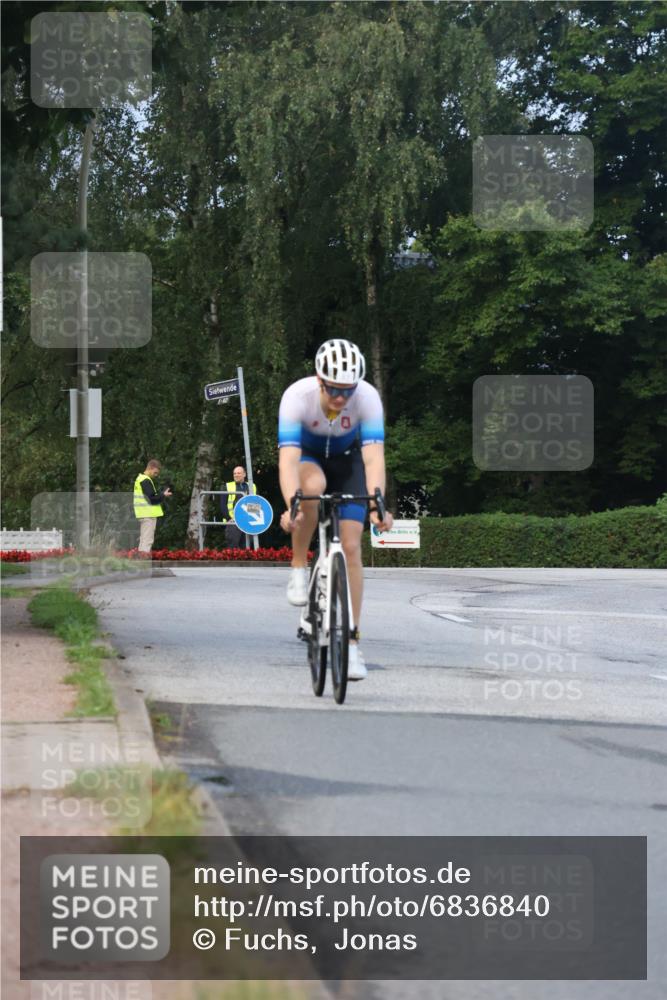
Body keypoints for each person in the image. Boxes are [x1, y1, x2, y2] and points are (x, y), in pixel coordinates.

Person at [278, 338, 393, 680]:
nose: (341, 398)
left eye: (348, 390)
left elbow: (373, 457)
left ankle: (353, 644)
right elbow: (288, 460)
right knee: (310, 490)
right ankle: (299, 567)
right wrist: (292, 504)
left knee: (353, 545)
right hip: (310, 461)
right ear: (319, 380)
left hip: (347, 463)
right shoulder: (296, 397)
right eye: (334, 390)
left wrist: (377, 504)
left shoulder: (368, 398)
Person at [133, 459, 172, 555]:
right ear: (150, 468)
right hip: (148, 514)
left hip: (143, 513)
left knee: (143, 539)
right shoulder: (145, 480)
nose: (156, 475)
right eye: (155, 472)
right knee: (147, 540)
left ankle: (140, 562)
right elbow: (151, 499)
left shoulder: (140, 479)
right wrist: (163, 495)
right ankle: (143, 564)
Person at [221, 465, 257, 548]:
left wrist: (253, 519)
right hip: (233, 522)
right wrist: (228, 518)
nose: (236, 475)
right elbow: (223, 504)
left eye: (239, 473)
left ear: (244, 474)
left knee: (246, 546)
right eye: (234, 473)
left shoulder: (252, 486)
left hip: (247, 521)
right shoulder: (227, 486)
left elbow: (256, 503)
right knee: (233, 547)